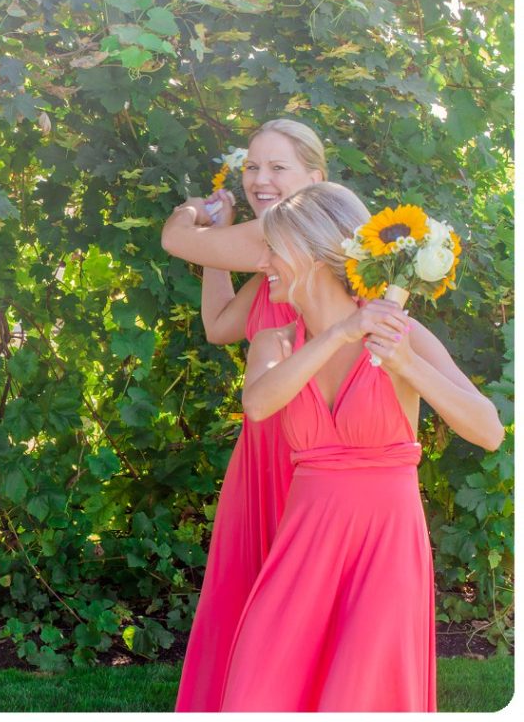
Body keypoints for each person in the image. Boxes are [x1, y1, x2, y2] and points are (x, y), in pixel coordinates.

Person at [218, 182, 503, 711]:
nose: (264, 262)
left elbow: (488, 430)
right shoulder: (275, 342)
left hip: (384, 551)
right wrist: (340, 334)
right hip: (302, 549)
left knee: (360, 696)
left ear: (310, 250)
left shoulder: (402, 332)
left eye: (272, 248)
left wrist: (406, 364)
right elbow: (259, 404)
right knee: (255, 693)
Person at [161, 119, 326, 711]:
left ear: (315, 177)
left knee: (288, 608)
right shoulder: (271, 259)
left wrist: (193, 216)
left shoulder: (290, 237)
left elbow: (176, 240)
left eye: (278, 167)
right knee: (248, 599)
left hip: (305, 450)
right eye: (252, 166)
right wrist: (223, 243)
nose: (260, 179)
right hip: (259, 454)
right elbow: (220, 326)